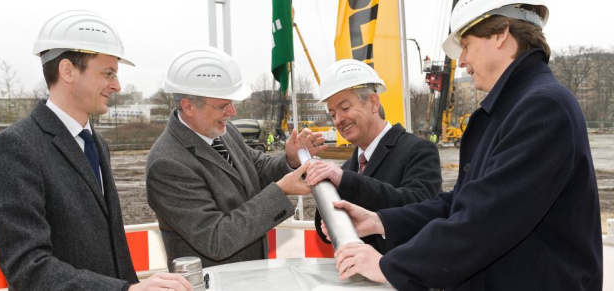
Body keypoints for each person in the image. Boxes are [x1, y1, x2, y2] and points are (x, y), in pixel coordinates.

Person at [332, 1, 603, 290]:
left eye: (466, 45)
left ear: (500, 34)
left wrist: (388, 265)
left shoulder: (542, 108)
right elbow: (462, 202)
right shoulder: (514, 108)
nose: (461, 61)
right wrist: (381, 221)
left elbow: (488, 220)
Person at [0, 11, 191, 291]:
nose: (117, 85)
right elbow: (27, 267)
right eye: (108, 73)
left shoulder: (96, 144)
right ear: (67, 70)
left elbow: (112, 248)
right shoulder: (14, 147)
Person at [146, 46, 326, 268]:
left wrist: (290, 160)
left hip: (248, 276)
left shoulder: (224, 131)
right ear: (188, 106)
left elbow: (256, 169)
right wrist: (281, 190)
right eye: (223, 105)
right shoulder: (168, 164)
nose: (232, 112)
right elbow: (216, 239)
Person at [305, 59, 442, 253]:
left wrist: (346, 181)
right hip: (358, 278)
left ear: (373, 102)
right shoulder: (346, 169)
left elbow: (421, 207)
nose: (338, 120)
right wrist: (323, 191)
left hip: (403, 279)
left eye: (345, 108)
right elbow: (326, 233)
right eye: (333, 114)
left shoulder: (418, 151)